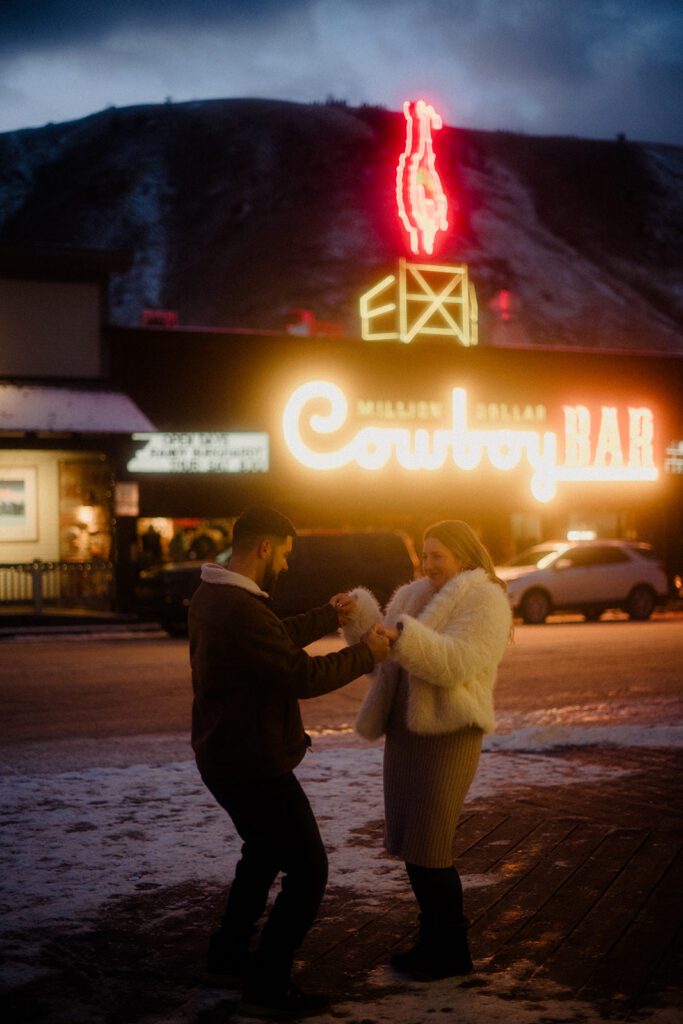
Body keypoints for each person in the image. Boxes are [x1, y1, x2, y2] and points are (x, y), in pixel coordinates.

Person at [189, 505, 390, 1019]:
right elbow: (299, 675)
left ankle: (227, 955)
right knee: (308, 867)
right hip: (252, 762)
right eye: (283, 554)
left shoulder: (215, 595)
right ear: (264, 547)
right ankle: (267, 983)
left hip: (227, 754)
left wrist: (329, 614)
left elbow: (271, 641)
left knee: (261, 852)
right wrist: (368, 652)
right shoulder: (238, 608)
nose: (284, 565)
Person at [343, 520, 512, 980]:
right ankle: (431, 941)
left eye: (438, 555)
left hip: (450, 733)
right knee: (413, 844)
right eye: (425, 553)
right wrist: (358, 616)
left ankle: (452, 950)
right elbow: (383, 650)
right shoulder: (413, 594)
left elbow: (457, 662)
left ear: (463, 555)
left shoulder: (486, 599)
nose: (428, 563)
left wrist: (404, 637)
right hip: (406, 732)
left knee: (432, 844)